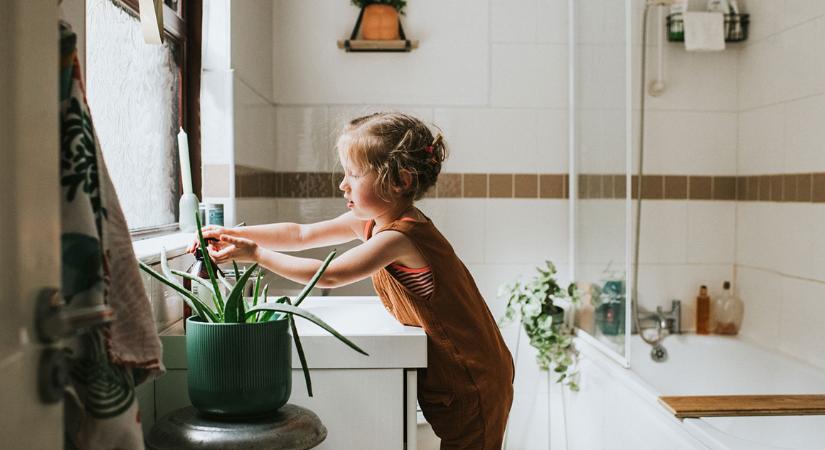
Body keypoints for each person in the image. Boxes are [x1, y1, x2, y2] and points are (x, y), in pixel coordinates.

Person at [190, 112, 514, 449]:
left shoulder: (401, 237)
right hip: (455, 377)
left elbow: (329, 274)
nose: (343, 184)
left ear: (400, 182)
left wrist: (257, 255)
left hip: (473, 378)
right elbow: (301, 234)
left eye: (354, 174)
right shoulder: (372, 221)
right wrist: (229, 233)